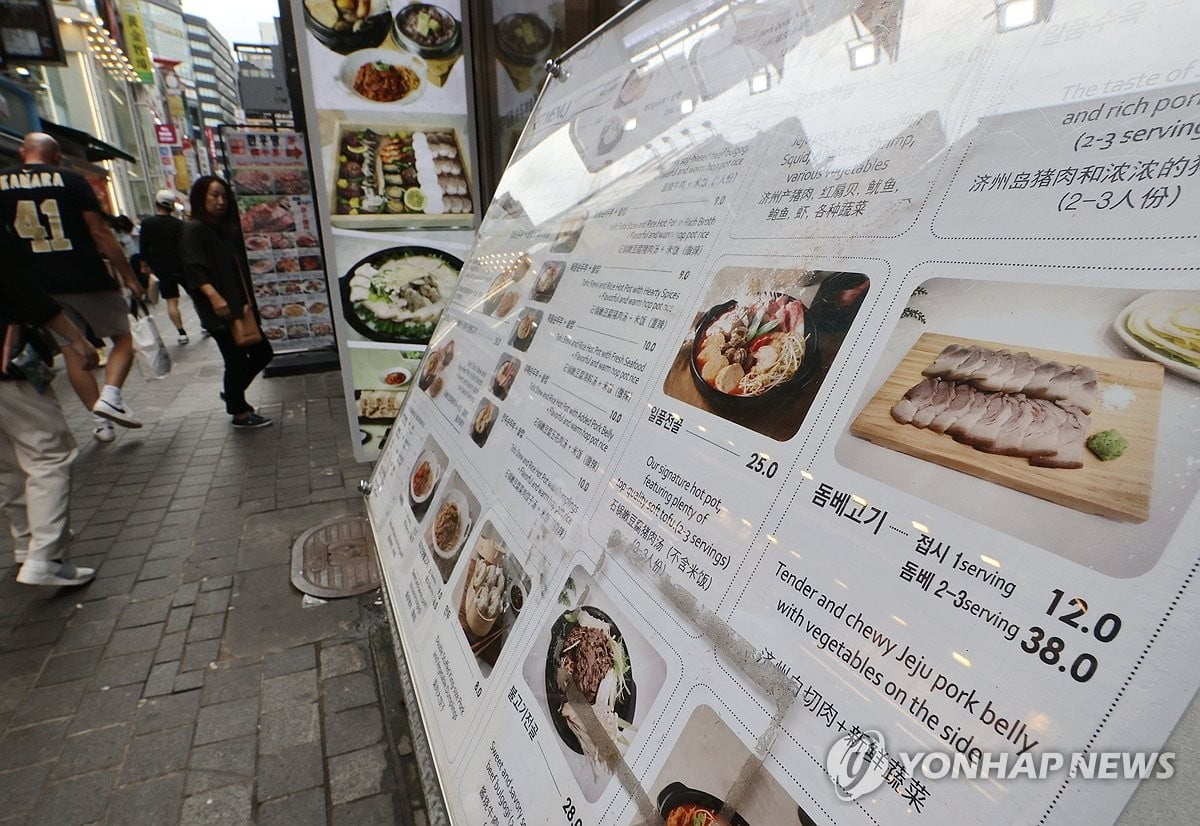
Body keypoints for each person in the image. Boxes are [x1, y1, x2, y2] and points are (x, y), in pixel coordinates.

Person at [0, 132, 145, 443]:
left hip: (39, 285)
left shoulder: (1, 182)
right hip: (86, 275)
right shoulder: (71, 180)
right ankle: (111, 396)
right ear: (55, 156)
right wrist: (129, 276)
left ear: (23, 153)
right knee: (122, 337)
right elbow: (100, 232)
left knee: (71, 350)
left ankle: (101, 422)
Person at [1, 227, 99, 586]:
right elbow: (25, 291)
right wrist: (75, 337)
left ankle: (26, 546)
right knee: (48, 454)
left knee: (8, 464)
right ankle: (47, 558)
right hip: (8, 363)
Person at [181, 176, 273, 428]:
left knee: (260, 352)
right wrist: (214, 297)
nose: (221, 201)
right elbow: (194, 268)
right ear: (201, 197)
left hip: (237, 305)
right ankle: (239, 410)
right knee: (237, 358)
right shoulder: (194, 228)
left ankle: (233, 395)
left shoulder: (223, 229)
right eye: (214, 195)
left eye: (224, 195)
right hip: (219, 309)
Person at [139, 189, 191, 344]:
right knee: (196, 295)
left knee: (171, 301)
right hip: (182, 265)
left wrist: (144, 264)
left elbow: (143, 246)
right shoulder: (179, 224)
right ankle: (205, 325)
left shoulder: (147, 223)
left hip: (161, 267)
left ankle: (182, 333)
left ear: (157, 203)